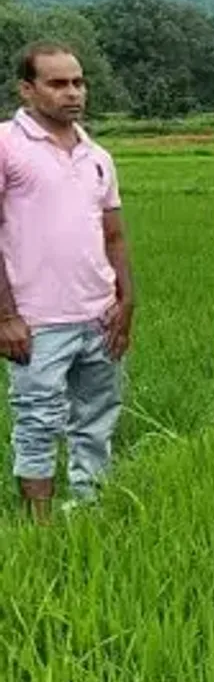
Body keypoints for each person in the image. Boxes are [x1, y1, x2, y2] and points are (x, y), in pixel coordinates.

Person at [0, 42, 135, 522]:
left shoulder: (97, 154)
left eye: (78, 82)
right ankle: (40, 524)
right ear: (27, 88)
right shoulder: (6, 145)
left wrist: (127, 302)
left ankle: (89, 509)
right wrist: (7, 316)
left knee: (96, 420)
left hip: (98, 315)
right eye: (57, 83)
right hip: (37, 321)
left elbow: (114, 234)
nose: (72, 93)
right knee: (37, 421)